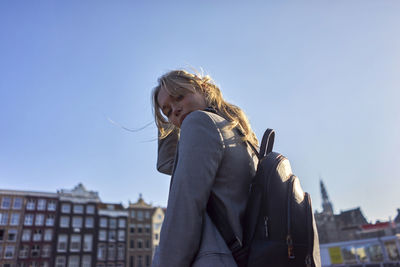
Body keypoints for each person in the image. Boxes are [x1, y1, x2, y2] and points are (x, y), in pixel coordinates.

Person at [151, 69, 258, 267]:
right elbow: (168, 164)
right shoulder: (233, 130)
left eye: (180, 97)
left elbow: (183, 212)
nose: (175, 110)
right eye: (167, 111)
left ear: (203, 88)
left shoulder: (199, 122)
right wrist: (170, 121)